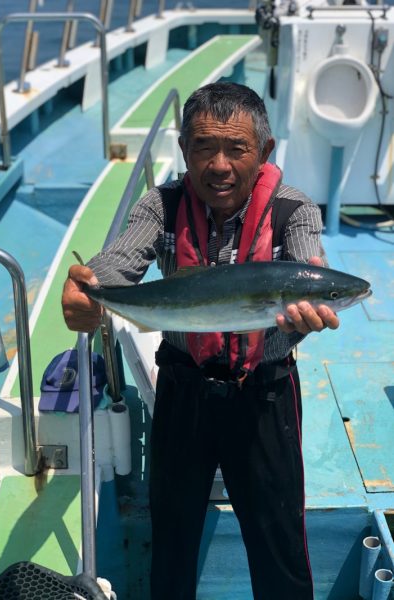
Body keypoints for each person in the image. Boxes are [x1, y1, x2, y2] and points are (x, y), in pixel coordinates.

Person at [62, 82, 339, 600]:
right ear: (184, 149)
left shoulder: (291, 209)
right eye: (203, 147)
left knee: (279, 538)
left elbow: (308, 263)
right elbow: (116, 266)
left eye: (236, 148)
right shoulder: (161, 205)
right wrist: (85, 291)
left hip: (265, 391)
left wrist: (305, 316)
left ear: (265, 153)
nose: (219, 165)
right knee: (172, 536)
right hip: (183, 390)